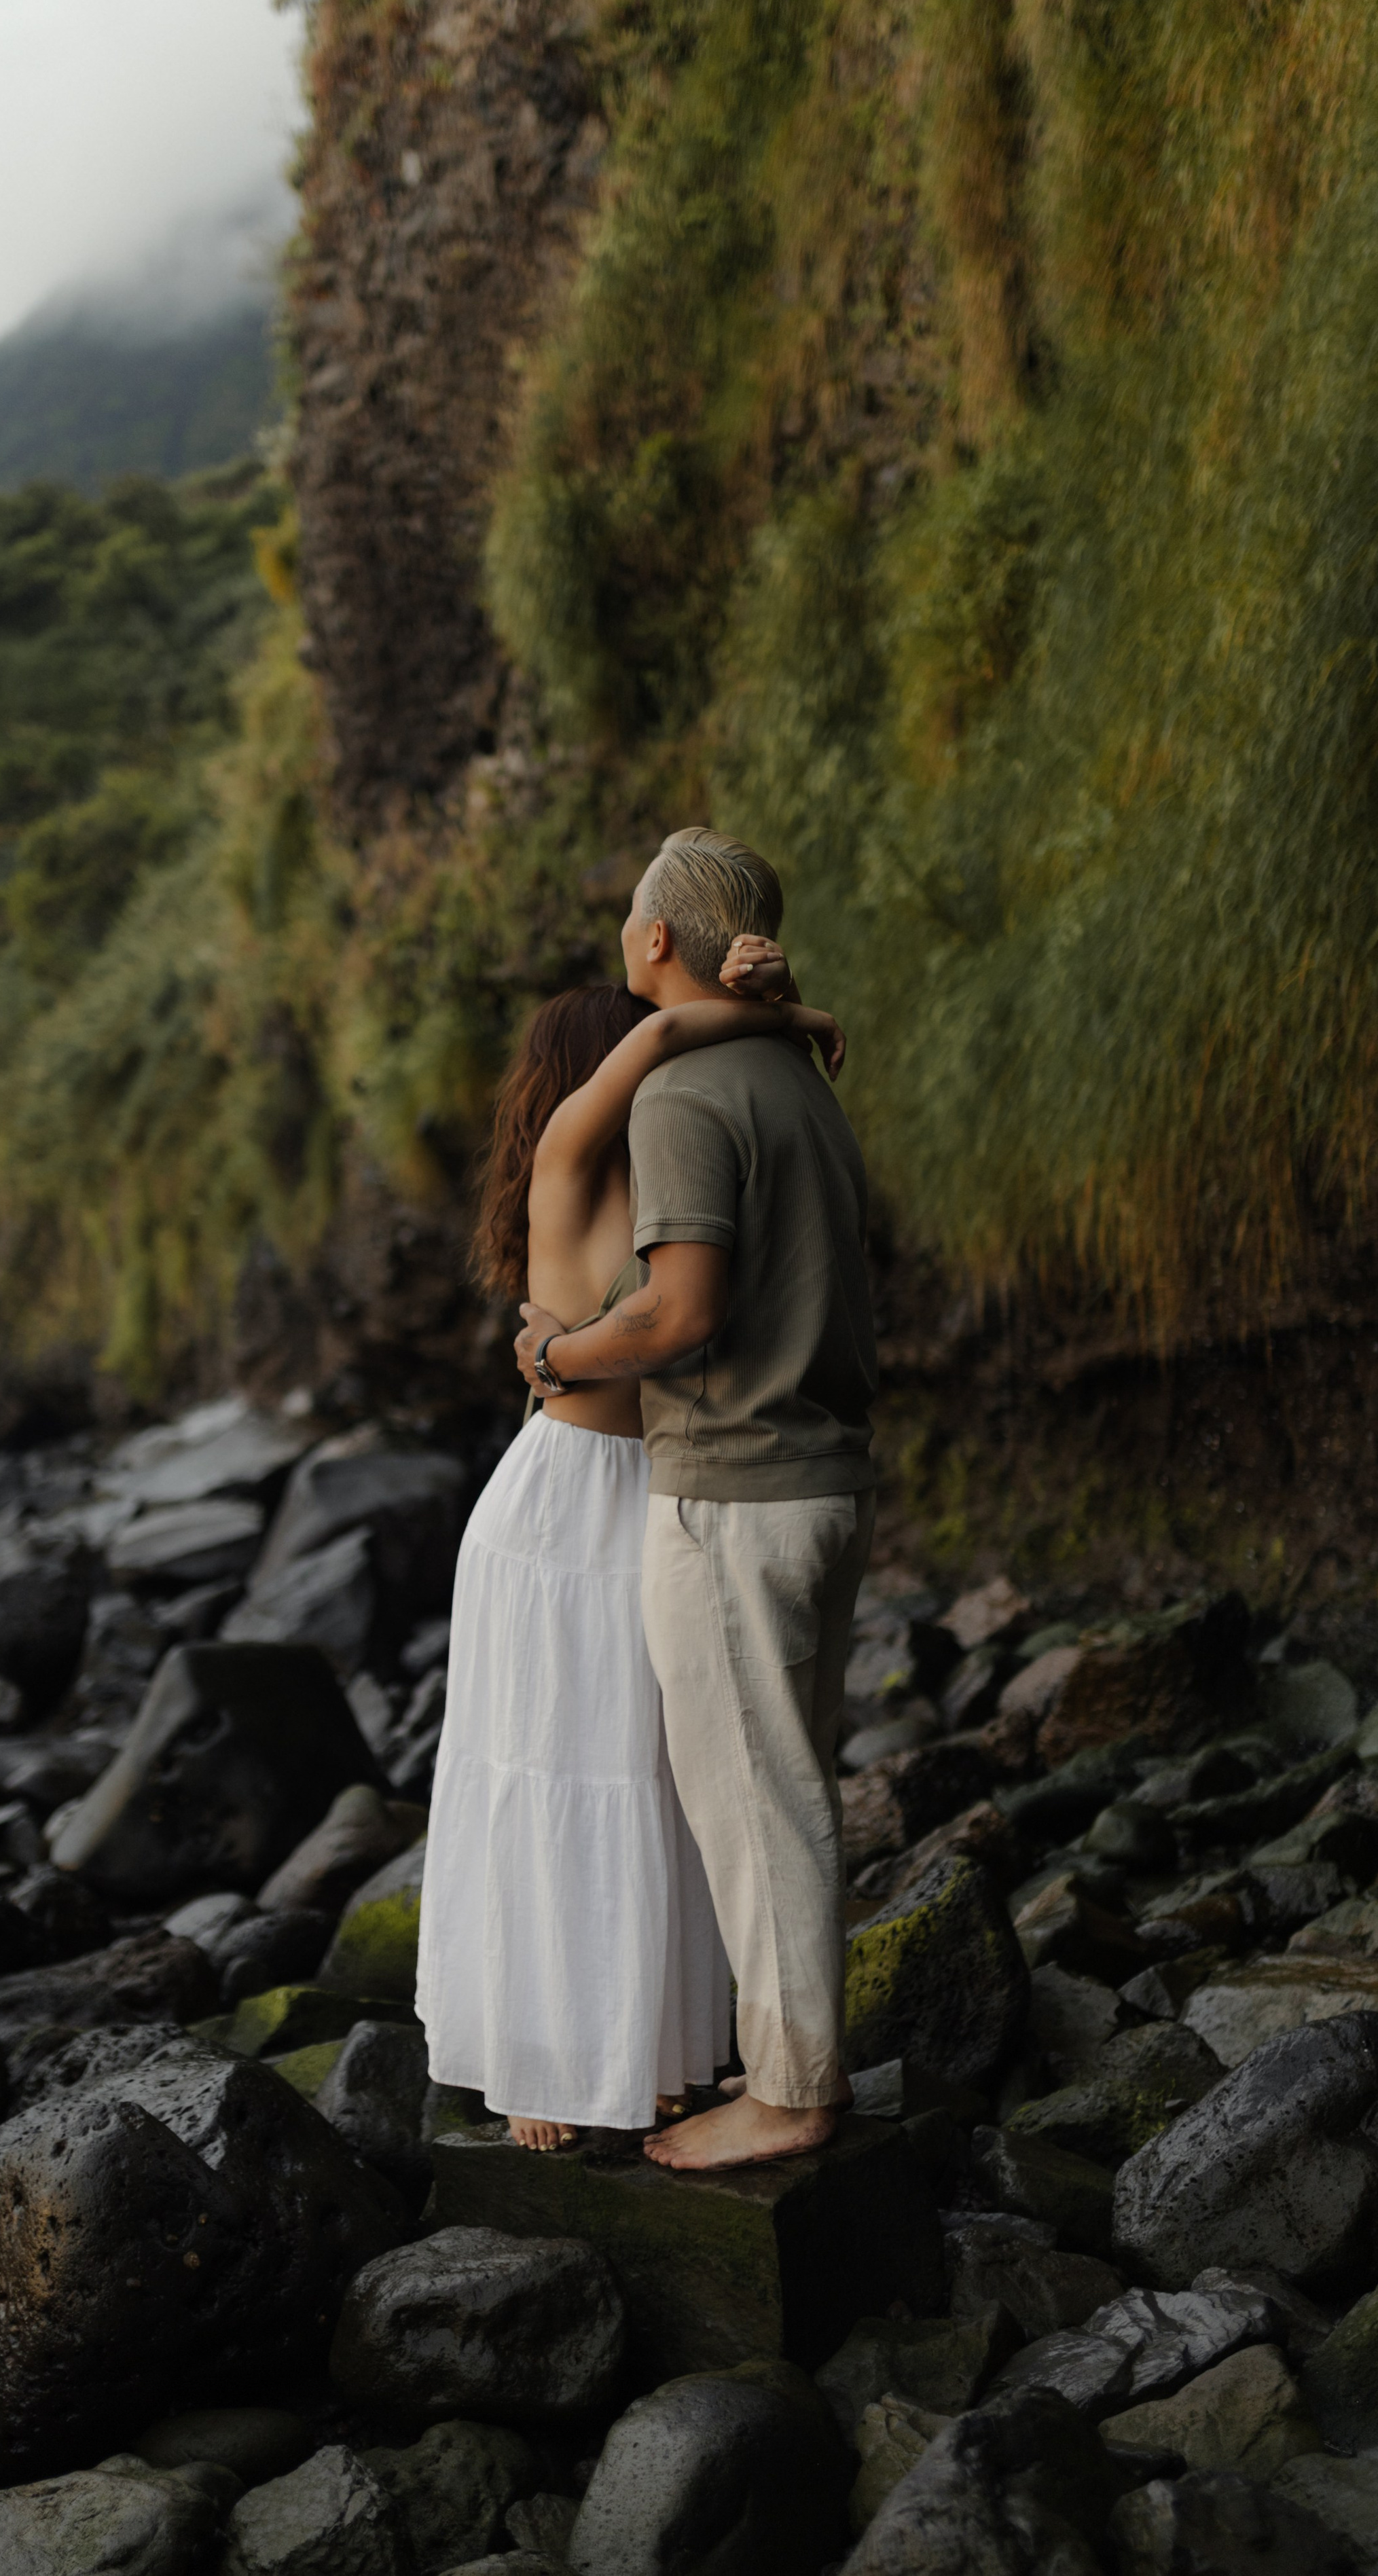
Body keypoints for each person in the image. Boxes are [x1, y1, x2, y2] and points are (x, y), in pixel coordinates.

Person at [415, 951, 846, 2149]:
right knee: (549, 1775)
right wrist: (790, 1015)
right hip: (558, 1514)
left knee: (655, 1783)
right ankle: (541, 2069)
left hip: (658, 1495)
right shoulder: (565, 1160)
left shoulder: (680, 1175)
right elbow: (657, 1041)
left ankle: (646, 2052)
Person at [515, 827, 879, 2171]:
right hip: (823, 1473)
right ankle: (783, 2060)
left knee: (755, 1798)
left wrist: (556, 1356)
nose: (623, 930)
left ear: (657, 938)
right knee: (786, 1782)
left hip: (733, 1487)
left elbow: (677, 1312)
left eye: (629, 914)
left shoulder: (681, 1095)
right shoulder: (795, 1079)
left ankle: (788, 2093)